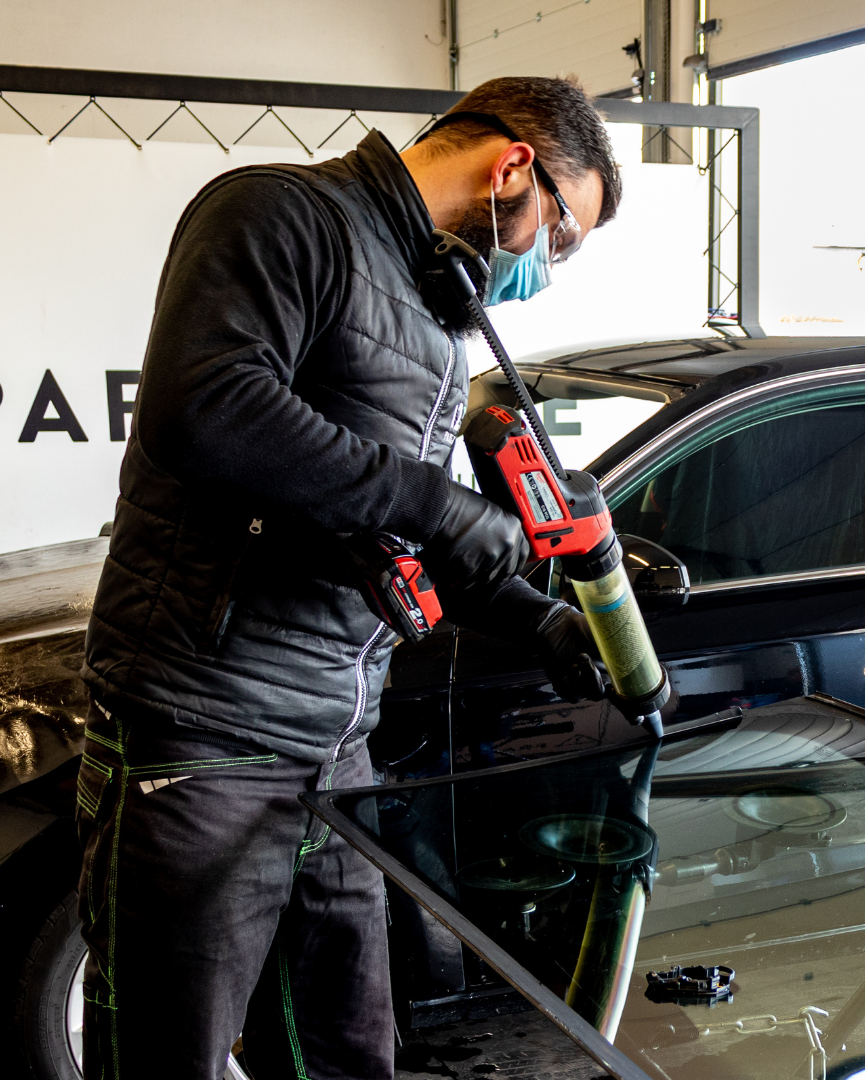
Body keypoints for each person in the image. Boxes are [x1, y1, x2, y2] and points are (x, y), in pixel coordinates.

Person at [76, 75, 621, 1080]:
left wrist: (537, 620)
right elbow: (206, 408)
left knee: (343, 1053)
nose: (549, 265)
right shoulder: (281, 216)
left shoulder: (435, 322)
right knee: (168, 1055)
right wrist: (433, 502)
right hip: (204, 736)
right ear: (511, 167)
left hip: (334, 753)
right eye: (563, 233)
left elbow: (398, 530)